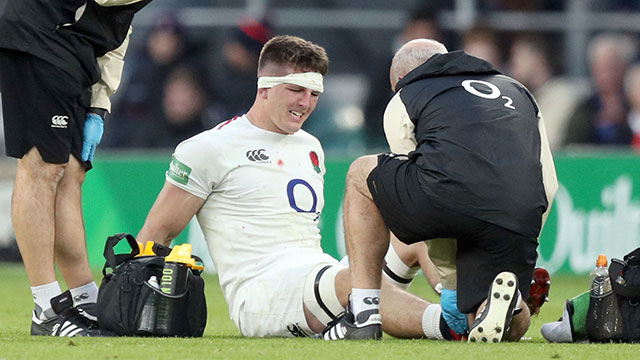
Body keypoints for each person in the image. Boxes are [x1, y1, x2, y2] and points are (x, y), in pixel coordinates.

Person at [136, 35, 462, 340]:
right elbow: (157, 232)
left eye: (314, 94)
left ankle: (466, 306)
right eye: (296, 90)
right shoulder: (209, 148)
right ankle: (452, 327)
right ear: (264, 88)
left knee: (418, 236)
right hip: (263, 296)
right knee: (355, 285)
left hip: (317, 275)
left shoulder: (310, 145)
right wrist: (128, 301)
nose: (306, 103)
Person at [321, 39, 558, 342]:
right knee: (483, 307)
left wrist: (451, 282)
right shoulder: (517, 90)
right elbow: (548, 182)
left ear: (399, 78)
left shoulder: (405, 97)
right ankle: (504, 306)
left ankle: (363, 315)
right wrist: (525, 237)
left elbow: (421, 182)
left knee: (360, 174)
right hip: (520, 210)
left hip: (449, 198)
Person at [0, 0, 151, 336]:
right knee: (42, 166)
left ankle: (84, 298)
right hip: (38, 35)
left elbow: (118, 28)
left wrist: (99, 104)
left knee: (71, 172)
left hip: (76, 51)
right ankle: (46, 307)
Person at [563, 33, 636, 146]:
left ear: (624, 68)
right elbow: (571, 146)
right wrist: (594, 123)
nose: (609, 76)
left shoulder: (634, 104)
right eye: (603, 69)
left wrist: (626, 120)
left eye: (613, 68)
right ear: (593, 70)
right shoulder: (584, 109)